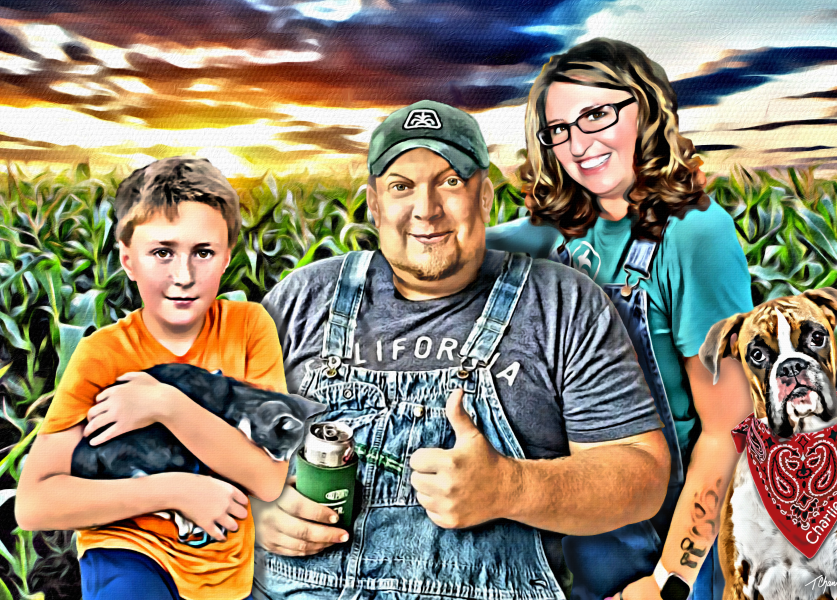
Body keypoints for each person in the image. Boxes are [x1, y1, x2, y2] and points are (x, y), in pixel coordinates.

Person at [251, 99, 670, 600]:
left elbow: (641, 475)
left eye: (450, 182)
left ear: (486, 196)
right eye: (401, 186)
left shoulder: (563, 302)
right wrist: (258, 511)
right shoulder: (300, 299)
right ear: (373, 203)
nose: (426, 210)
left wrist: (512, 488)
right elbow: (218, 448)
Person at [486, 39, 754, 600]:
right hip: (581, 523)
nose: (578, 144)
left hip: (668, 538)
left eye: (596, 115)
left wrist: (668, 581)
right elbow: (456, 252)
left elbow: (730, 430)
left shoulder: (695, 234)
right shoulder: (557, 233)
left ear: (647, 108)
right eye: (557, 129)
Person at [16, 157, 290, 600]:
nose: (183, 276)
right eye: (162, 252)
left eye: (203, 252)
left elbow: (267, 477)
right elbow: (34, 503)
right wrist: (173, 490)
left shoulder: (249, 328)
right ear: (128, 260)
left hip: (220, 573)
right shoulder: (103, 354)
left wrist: (168, 405)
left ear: (227, 258)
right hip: (125, 553)